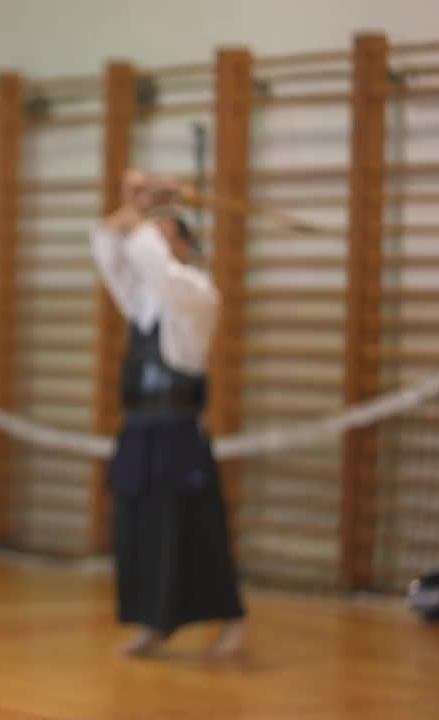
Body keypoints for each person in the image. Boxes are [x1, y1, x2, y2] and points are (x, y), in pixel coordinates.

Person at [91, 170, 246, 659]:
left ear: (183, 245)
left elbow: (151, 262)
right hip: (139, 430)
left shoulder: (196, 293)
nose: (152, 239)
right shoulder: (143, 304)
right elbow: (108, 246)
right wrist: (132, 201)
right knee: (139, 529)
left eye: (164, 233)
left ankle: (230, 618)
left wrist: (141, 207)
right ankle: (154, 622)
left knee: (193, 527)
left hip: (179, 433)